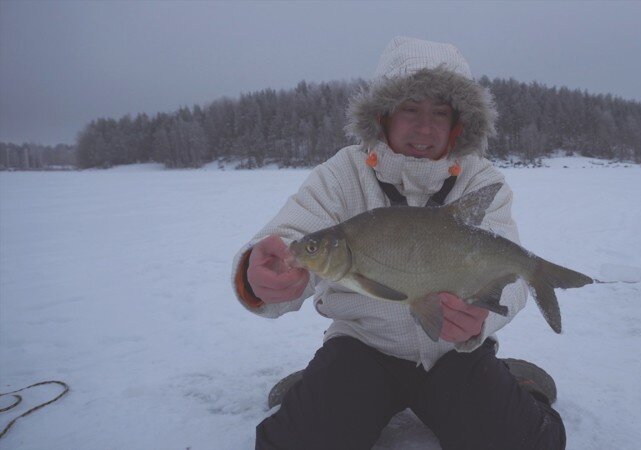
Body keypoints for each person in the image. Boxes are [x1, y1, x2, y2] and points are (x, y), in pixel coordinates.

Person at [232, 36, 566, 450]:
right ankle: (319, 385)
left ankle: (521, 386)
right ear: (382, 115)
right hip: (362, 350)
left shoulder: (482, 180)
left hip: (454, 355)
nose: (425, 127)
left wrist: (482, 319)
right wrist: (261, 274)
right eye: (410, 108)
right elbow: (291, 236)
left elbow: (507, 270)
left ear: (458, 123)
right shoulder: (342, 173)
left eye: (439, 113)